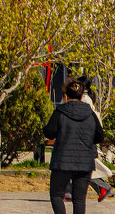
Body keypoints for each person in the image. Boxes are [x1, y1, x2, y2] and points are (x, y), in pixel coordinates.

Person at [44, 78, 105, 214]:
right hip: (85, 162)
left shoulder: (60, 112)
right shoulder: (90, 114)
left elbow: (49, 132)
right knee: (79, 199)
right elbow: (100, 136)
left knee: (56, 195)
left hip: (62, 161)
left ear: (65, 96)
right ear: (82, 96)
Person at [78, 78, 112, 203]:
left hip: (85, 140)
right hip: (85, 139)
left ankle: (103, 187)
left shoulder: (85, 100)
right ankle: (102, 188)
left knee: (82, 168)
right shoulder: (85, 98)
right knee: (82, 168)